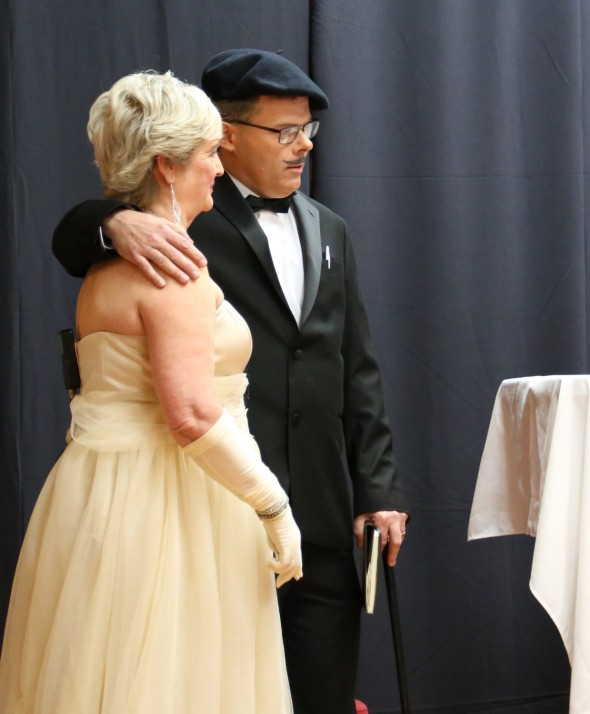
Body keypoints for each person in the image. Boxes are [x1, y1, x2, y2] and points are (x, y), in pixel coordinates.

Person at [51, 50, 409, 713]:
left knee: (321, 692)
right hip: (211, 505)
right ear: (228, 134)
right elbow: (72, 238)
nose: (304, 145)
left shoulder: (329, 227)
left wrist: (377, 488)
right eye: (285, 131)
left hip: (321, 510)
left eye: (308, 130)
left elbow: (357, 366)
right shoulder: (177, 226)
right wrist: (111, 222)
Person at [0, 71, 302, 713]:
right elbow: (190, 413)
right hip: (174, 505)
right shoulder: (175, 273)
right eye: (209, 153)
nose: (218, 168)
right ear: (167, 165)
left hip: (99, 497)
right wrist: (274, 507)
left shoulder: (101, 271)